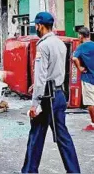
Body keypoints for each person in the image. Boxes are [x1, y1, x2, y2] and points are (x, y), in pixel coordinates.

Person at [22, 12, 80, 173]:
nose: (36, 28)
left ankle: (29, 171)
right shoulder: (60, 44)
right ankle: (74, 171)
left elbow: (41, 76)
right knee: (63, 137)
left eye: (36, 25)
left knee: (36, 136)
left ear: (40, 25)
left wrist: (35, 104)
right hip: (59, 94)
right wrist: (38, 86)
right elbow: (56, 71)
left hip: (47, 98)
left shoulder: (43, 45)